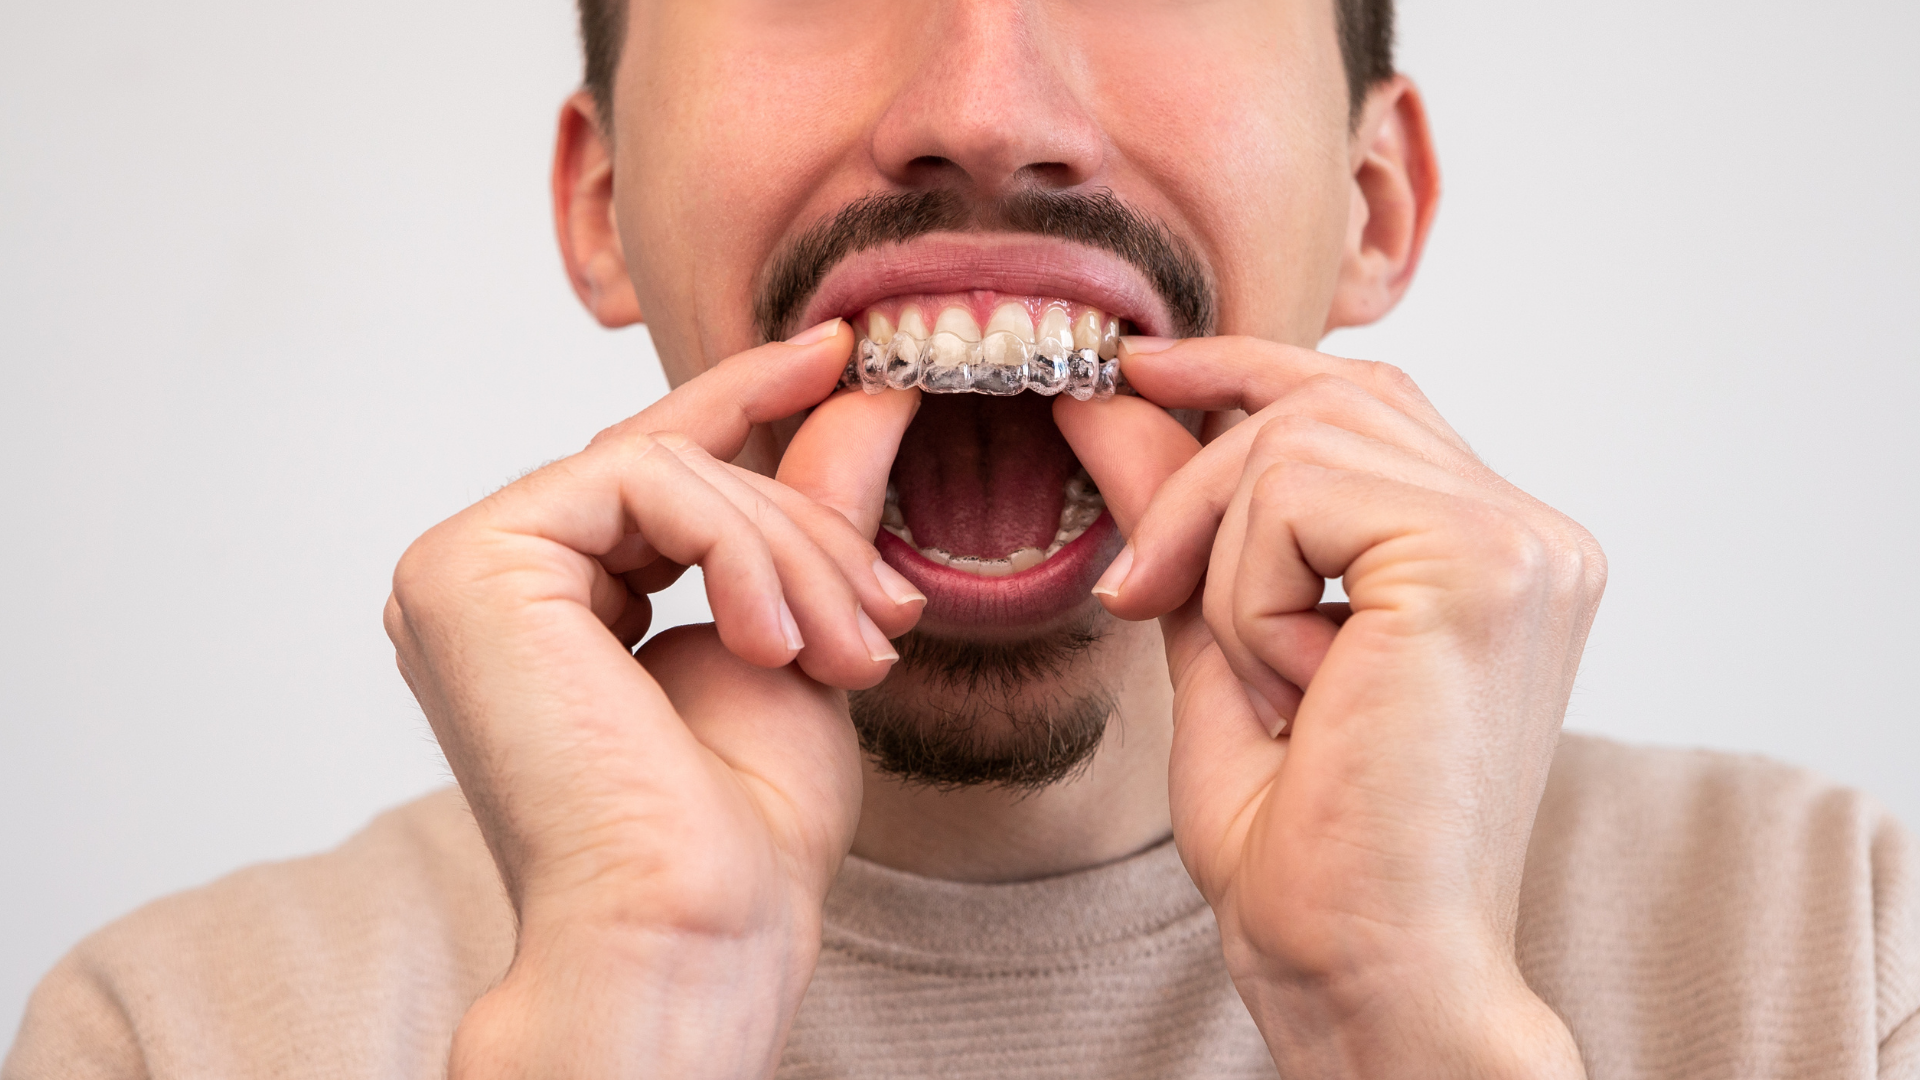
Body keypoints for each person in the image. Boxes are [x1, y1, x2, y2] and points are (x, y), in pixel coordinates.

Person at [9, 1, 1918, 1077]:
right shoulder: (174, 1035)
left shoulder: (1839, 952)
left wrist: (1403, 1020)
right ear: (600, 199)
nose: (984, 109)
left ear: (1374, 202)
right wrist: (634, 1011)